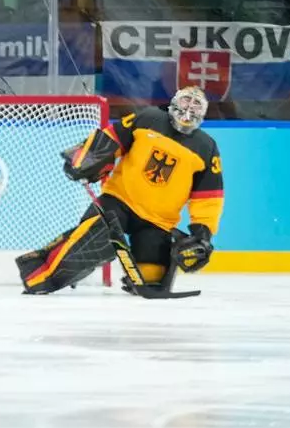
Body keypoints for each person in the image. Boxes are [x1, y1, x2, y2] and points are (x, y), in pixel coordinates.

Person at [16, 87, 223, 295]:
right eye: (186, 101)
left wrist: (203, 235)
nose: (189, 108)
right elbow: (110, 138)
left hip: (158, 222)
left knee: (151, 280)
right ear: (174, 102)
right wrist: (85, 158)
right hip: (118, 202)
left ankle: (136, 280)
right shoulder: (149, 118)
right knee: (90, 243)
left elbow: (208, 197)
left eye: (196, 104)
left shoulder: (206, 147)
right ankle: (38, 274)